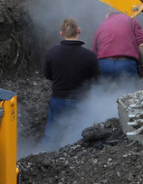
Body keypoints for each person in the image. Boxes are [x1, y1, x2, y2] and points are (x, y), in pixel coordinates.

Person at [41, 18, 100, 150]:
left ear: (61, 33)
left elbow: (47, 75)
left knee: (52, 133)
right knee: (79, 133)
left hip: (58, 99)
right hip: (80, 101)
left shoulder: (52, 52)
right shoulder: (89, 56)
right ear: (79, 31)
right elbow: (96, 80)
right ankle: (76, 160)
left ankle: (46, 157)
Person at [92, 10, 143, 80]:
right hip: (126, 64)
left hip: (104, 65)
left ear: (107, 15)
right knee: (130, 90)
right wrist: (141, 63)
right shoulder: (131, 19)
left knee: (102, 90)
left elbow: (94, 54)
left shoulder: (101, 26)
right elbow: (142, 45)